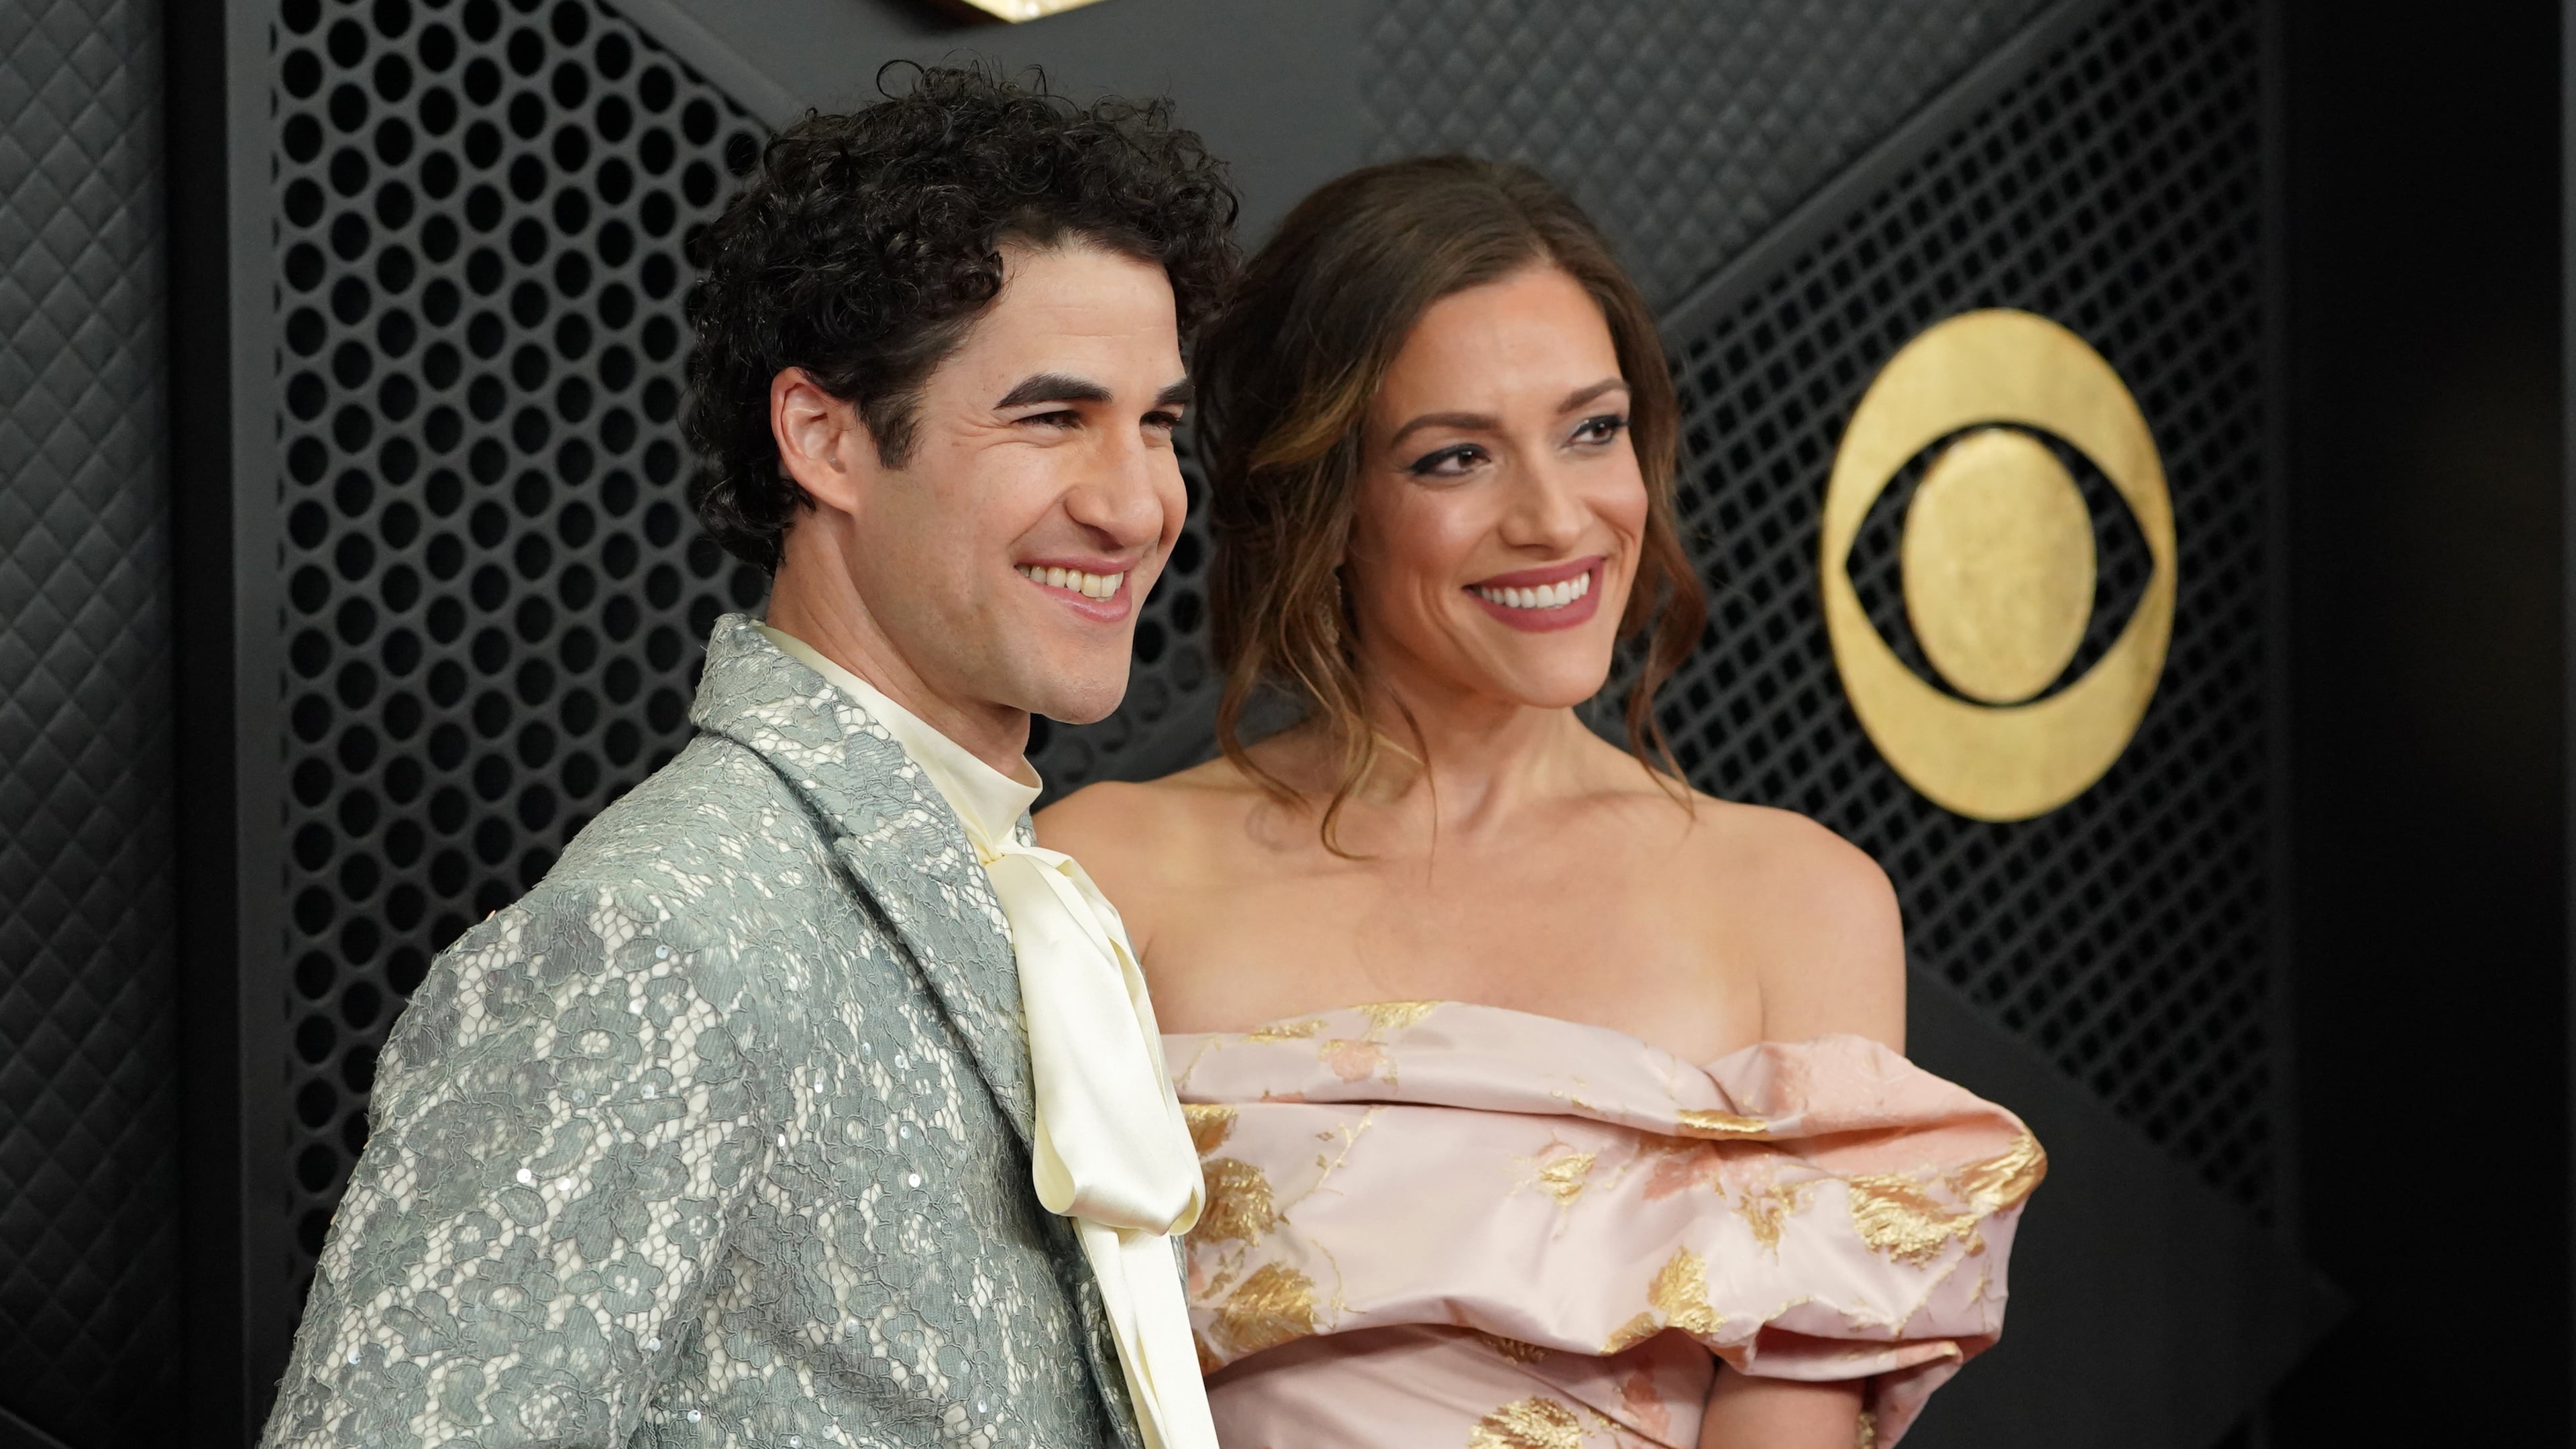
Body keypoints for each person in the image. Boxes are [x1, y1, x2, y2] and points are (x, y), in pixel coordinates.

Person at [262, 68, 1236, 1449]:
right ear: (824, 438)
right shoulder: (660, 936)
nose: (1137, 504)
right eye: (1050, 418)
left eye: (1158, 424)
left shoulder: (1018, 891)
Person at [1037, 158, 2043, 1448]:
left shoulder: (1797, 902)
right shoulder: (1108, 878)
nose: (1559, 519)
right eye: (1456, 458)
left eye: (1593, 430)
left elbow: (1791, 1410)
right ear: (1325, 500)